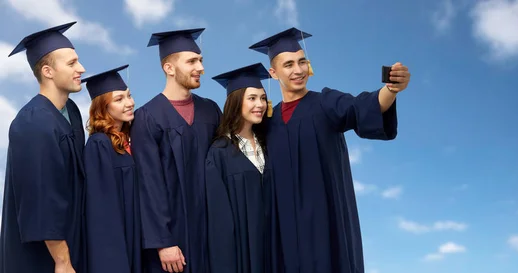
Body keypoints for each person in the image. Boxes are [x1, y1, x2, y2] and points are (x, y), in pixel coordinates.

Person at [248, 27, 411, 273]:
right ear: (273, 72)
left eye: (302, 62)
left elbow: (360, 107)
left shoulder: (325, 102)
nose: (298, 70)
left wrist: (391, 89)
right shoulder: (268, 121)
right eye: (289, 64)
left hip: (325, 223)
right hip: (284, 227)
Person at [130, 27, 222, 273]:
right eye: (192, 61)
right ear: (169, 68)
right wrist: (163, 242)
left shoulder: (211, 110)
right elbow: (148, 185)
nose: (200, 67)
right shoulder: (147, 117)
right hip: (173, 241)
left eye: (201, 60)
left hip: (212, 232)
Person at [1, 22, 87, 273]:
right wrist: (62, 261)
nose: (81, 68)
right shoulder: (33, 122)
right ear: (48, 71)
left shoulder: (69, 111)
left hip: (72, 240)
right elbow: (40, 199)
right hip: (44, 258)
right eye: (71, 63)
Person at [205, 63, 275, 273]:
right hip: (241, 253)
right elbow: (218, 219)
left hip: (274, 246)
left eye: (263, 98)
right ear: (236, 102)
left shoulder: (268, 144)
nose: (260, 104)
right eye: (252, 98)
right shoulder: (219, 152)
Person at [81, 64, 142, 273]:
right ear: (102, 108)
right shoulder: (99, 145)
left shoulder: (130, 142)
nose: (129, 103)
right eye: (119, 99)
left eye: (129, 96)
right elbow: (101, 213)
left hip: (137, 241)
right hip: (117, 248)